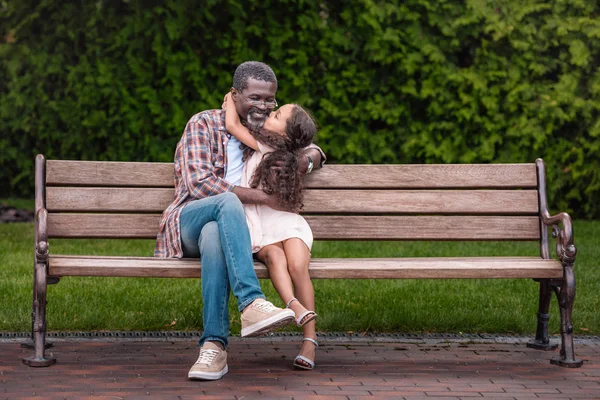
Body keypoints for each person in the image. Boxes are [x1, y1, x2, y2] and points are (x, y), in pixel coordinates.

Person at [154, 61, 325, 381]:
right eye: (255, 98)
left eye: (269, 100)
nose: (262, 106)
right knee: (225, 203)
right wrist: (261, 197)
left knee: (215, 235)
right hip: (190, 218)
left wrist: (306, 160)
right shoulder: (203, 124)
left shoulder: (263, 133)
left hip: (230, 234)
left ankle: (214, 348)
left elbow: (307, 143)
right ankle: (251, 302)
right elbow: (199, 185)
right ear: (234, 95)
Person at [224, 93, 319, 370]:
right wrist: (233, 97)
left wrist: (230, 98)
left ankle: (310, 340)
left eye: (277, 117)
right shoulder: (261, 143)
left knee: (298, 265)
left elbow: (232, 124)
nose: (270, 115)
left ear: (288, 134)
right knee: (276, 259)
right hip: (261, 226)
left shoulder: (285, 155)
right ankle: (293, 305)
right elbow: (233, 125)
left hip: (286, 222)